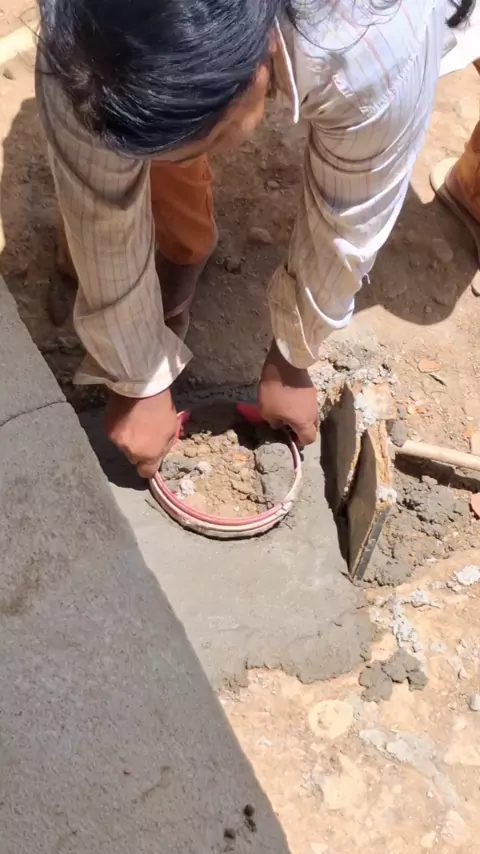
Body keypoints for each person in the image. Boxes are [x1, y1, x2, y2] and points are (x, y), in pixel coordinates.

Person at [35, 0, 471, 478]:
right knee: (149, 152)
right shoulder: (83, 41)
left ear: (263, 58)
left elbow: (350, 220)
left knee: (424, 309)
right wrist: (136, 375)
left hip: (372, 39)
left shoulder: (376, 48)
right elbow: (98, 198)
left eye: (209, 140)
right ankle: (179, 233)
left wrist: (292, 355)